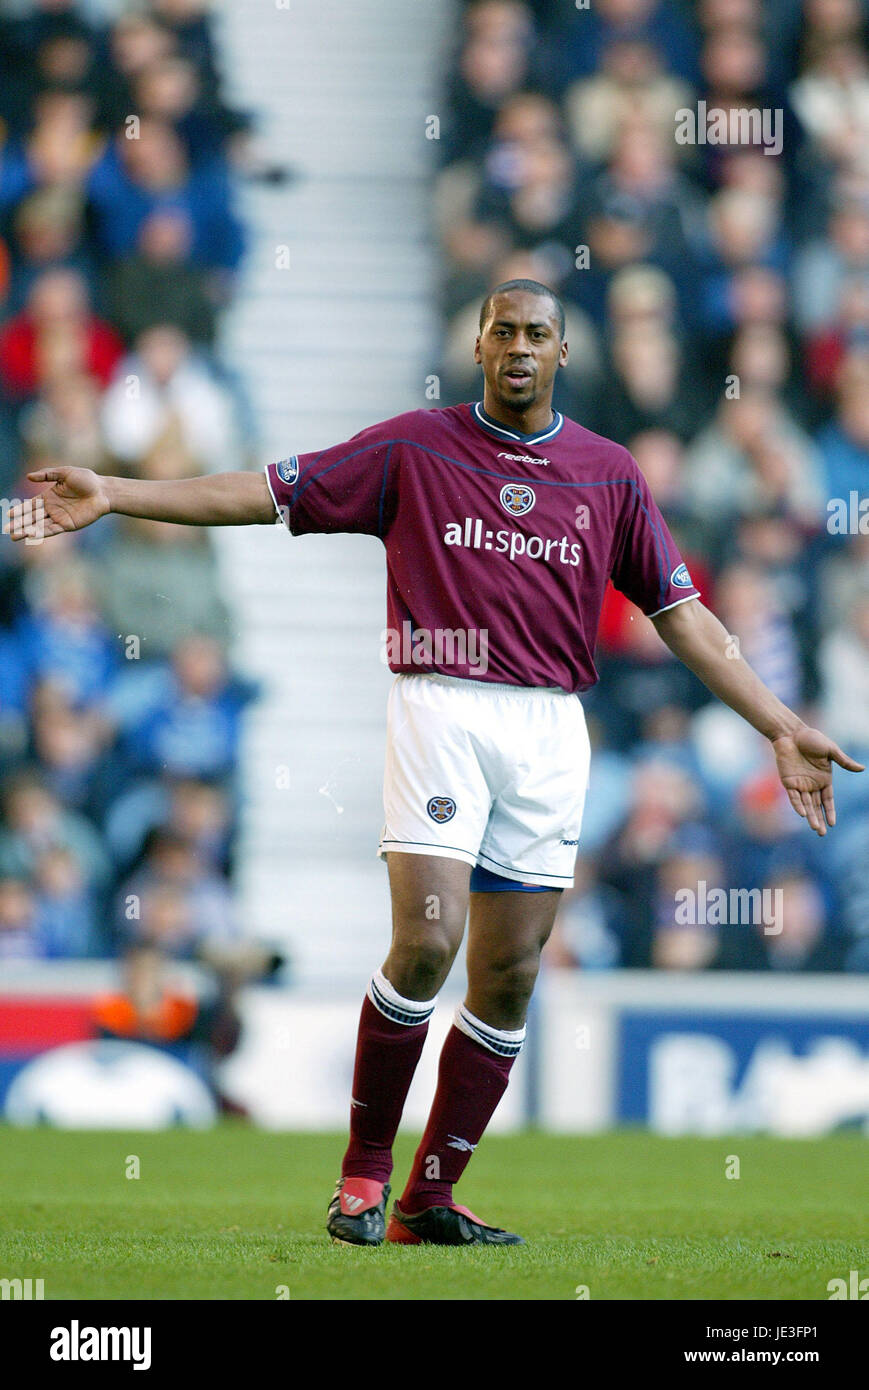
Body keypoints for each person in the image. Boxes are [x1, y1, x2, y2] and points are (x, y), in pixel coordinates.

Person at [5, 278, 863, 1247]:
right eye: (503, 331)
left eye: (538, 333)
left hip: (548, 729)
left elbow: (685, 620)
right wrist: (116, 492)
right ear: (479, 342)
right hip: (439, 705)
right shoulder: (412, 447)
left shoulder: (606, 473)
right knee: (426, 940)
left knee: (507, 976)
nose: (519, 348)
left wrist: (778, 724)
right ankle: (363, 1176)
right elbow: (263, 490)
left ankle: (427, 1197)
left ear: (561, 353)